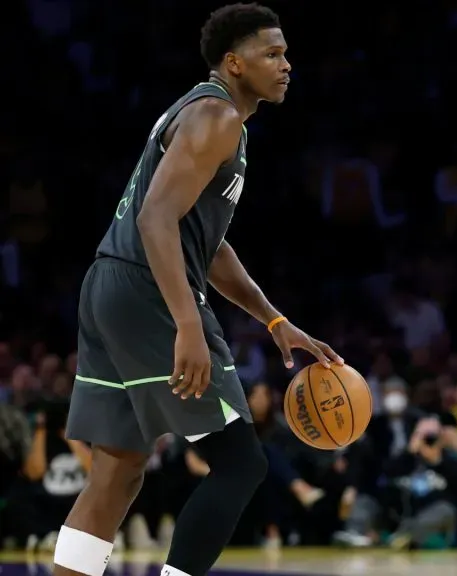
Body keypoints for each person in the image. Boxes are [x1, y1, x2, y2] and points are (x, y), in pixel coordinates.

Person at [56, 5, 342, 576]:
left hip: (111, 284)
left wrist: (273, 319)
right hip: (148, 293)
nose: (287, 65)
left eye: (286, 53)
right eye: (273, 54)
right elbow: (156, 221)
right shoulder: (217, 117)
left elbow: (203, 244)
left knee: (118, 470)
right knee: (240, 464)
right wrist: (188, 325)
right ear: (234, 63)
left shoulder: (203, 113)